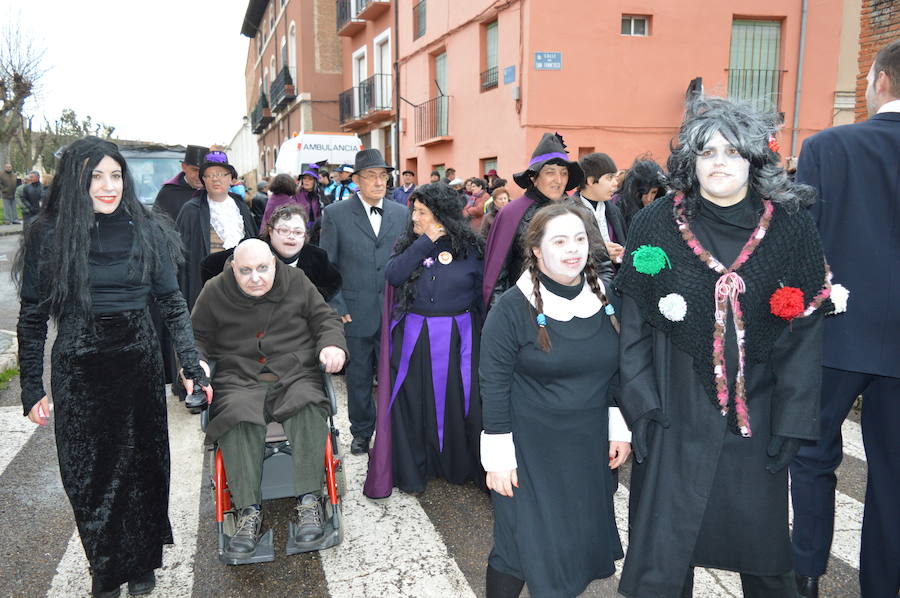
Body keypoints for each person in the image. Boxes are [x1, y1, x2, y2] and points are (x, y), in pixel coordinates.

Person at [614, 97, 833, 598]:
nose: (718, 163)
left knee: (763, 553)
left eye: (733, 152)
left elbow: (803, 332)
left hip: (755, 415)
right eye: (707, 151)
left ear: (754, 160)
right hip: (673, 415)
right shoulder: (657, 224)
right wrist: (641, 405)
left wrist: (794, 420)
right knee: (663, 560)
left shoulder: (790, 227)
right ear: (691, 161)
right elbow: (634, 327)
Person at [14, 137, 209, 598]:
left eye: (115, 175)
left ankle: (141, 564)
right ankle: (106, 567)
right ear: (75, 182)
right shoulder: (49, 233)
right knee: (90, 476)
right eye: (96, 176)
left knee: (145, 467)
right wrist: (30, 387)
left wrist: (190, 365)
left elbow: (172, 303)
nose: (108, 186)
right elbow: (33, 317)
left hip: (138, 360)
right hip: (79, 369)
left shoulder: (146, 227)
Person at [789, 40, 900, 598]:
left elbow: (803, 245)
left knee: (811, 458)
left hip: (837, 331)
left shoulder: (828, 147)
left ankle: (806, 576)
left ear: (880, 79)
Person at [480, 201, 629, 598]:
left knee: (574, 538)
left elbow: (618, 371)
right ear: (535, 250)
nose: (572, 249)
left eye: (580, 239)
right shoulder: (511, 309)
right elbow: (492, 384)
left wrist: (619, 428)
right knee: (517, 545)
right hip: (529, 448)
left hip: (587, 445)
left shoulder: (608, 298)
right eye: (559, 240)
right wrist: (498, 458)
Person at [190, 239, 347, 559]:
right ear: (233, 266)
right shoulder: (214, 290)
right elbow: (196, 338)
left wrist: (332, 345)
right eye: (245, 271)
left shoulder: (296, 281)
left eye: (263, 269)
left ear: (274, 264)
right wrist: (197, 367)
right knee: (236, 413)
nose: (255, 277)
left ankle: (308, 502)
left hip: (294, 371)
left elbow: (324, 319)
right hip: (239, 377)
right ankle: (248, 512)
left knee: (306, 402)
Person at [364, 183, 485, 498]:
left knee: (459, 402)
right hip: (415, 337)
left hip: (459, 338)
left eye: (421, 212)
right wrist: (423, 242)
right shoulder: (409, 244)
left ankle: (458, 466)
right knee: (414, 401)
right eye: (413, 210)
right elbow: (394, 275)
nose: (414, 217)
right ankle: (417, 468)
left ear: (440, 215)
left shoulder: (471, 248)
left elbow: (482, 293)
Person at [319, 149, 408, 455]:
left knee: (393, 375)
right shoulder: (335, 214)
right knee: (358, 377)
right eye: (371, 176)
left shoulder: (401, 213)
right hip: (354, 313)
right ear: (356, 180)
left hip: (394, 311)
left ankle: (392, 430)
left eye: (383, 176)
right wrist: (338, 308)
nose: (379, 181)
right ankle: (361, 432)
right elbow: (326, 267)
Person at [482, 132, 586, 308]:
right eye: (550, 172)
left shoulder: (579, 211)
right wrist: (503, 320)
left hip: (575, 307)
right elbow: (497, 278)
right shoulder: (511, 214)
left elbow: (599, 264)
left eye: (564, 173)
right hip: (526, 310)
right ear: (533, 177)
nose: (558, 180)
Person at [201, 204, 342, 302]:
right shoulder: (252, 248)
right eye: (284, 230)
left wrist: (307, 297)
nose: (291, 236)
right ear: (271, 231)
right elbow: (208, 265)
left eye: (298, 232)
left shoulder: (317, 256)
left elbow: (333, 282)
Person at [176, 151, 256, 309]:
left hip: (243, 286)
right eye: (209, 175)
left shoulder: (241, 207)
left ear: (230, 178)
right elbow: (182, 259)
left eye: (221, 174)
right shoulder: (191, 210)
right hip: (208, 290)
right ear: (203, 180)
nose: (215, 179)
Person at [573, 153, 627, 266]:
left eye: (615, 178)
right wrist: (601, 252)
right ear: (591, 181)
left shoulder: (614, 211)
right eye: (609, 178)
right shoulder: (570, 212)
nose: (615, 183)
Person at [152, 145, 208, 222]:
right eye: (195, 170)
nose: (199, 175)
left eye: (203, 171)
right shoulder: (168, 192)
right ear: (184, 167)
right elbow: (156, 225)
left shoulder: (213, 192)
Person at [617, 158, 667, 230]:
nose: (649, 198)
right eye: (644, 192)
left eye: (654, 192)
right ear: (636, 190)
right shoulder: (619, 206)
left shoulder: (660, 209)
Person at [295, 169, 324, 245]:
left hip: (316, 230)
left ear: (315, 181)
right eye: (304, 178)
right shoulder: (296, 194)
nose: (306, 181)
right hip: (300, 228)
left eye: (310, 179)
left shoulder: (319, 194)